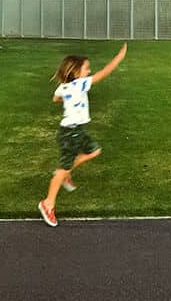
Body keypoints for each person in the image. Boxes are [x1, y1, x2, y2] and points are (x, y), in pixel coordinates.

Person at [38, 43, 127, 227]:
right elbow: (104, 73)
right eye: (87, 68)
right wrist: (119, 57)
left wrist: (68, 98)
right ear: (77, 72)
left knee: (94, 151)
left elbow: (55, 98)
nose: (90, 70)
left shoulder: (64, 86)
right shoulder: (80, 84)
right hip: (69, 133)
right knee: (62, 168)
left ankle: (66, 173)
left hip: (77, 130)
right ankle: (48, 203)